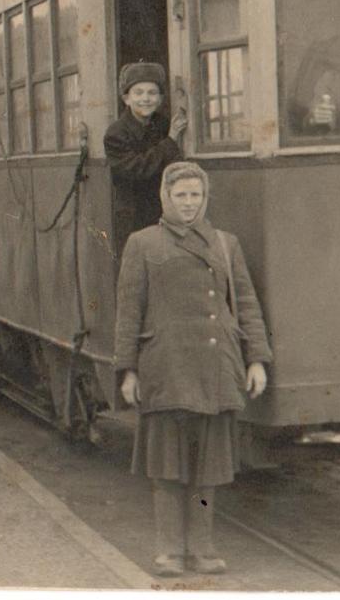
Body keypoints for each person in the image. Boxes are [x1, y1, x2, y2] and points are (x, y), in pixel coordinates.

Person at [115, 162, 272, 578]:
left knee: (208, 470)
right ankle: (169, 550)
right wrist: (128, 370)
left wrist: (256, 358)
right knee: (167, 467)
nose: (188, 203)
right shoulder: (143, 244)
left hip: (216, 368)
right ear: (164, 198)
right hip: (165, 368)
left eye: (195, 195)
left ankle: (202, 548)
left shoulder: (224, 244)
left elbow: (245, 303)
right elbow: (129, 311)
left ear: (205, 198)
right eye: (180, 195)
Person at [104, 62, 187, 257]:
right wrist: (171, 140)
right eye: (138, 93)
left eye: (152, 93)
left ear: (160, 99)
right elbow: (137, 169)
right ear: (126, 98)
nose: (145, 99)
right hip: (134, 216)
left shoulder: (163, 124)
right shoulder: (116, 133)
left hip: (164, 212)